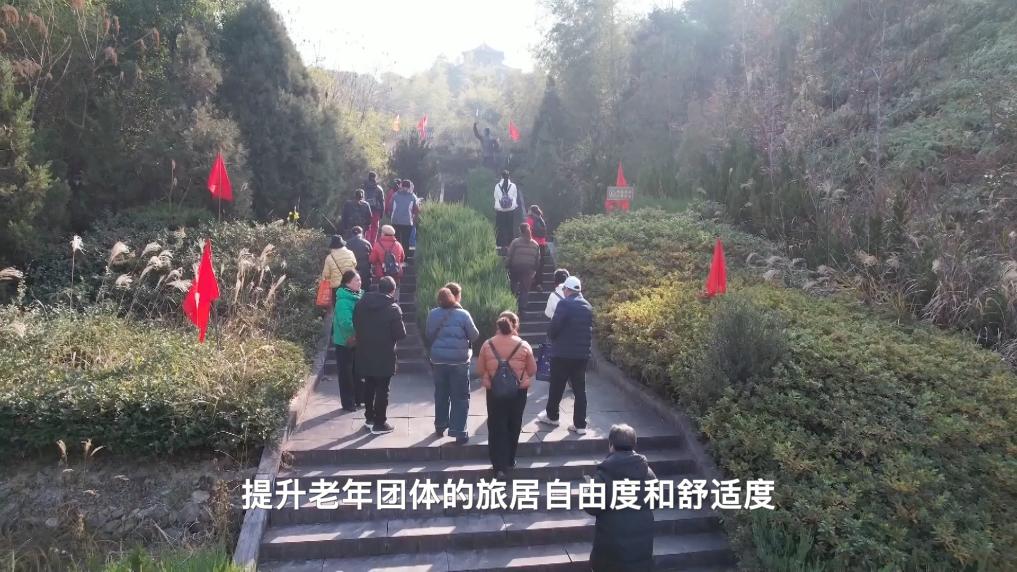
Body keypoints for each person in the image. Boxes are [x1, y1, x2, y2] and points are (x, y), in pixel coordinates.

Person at [584, 424, 656, 572]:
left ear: (611, 445)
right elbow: (655, 501)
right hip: (640, 554)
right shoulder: (648, 473)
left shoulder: (603, 474)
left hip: (610, 554)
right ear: (634, 445)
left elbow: (591, 507)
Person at [476, 311, 536, 478]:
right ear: (514, 326)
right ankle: (510, 459)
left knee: (496, 425)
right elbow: (532, 370)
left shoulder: (487, 344)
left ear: (498, 326)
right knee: (514, 423)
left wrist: (491, 375)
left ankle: (498, 466)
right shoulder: (523, 345)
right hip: (518, 391)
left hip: (494, 391)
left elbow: (480, 370)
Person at [537, 276, 593, 434]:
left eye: (564, 289)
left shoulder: (564, 304)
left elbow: (554, 327)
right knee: (580, 390)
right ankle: (580, 425)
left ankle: (552, 416)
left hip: (562, 354)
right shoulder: (588, 306)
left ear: (568, 289)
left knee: (557, 386)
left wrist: (551, 337)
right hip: (581, 355)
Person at [352, 276, 407, 435]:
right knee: (383, 388)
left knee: (369, 385)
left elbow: (355, 323)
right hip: (384, 354)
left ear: (378, 287)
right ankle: (380, 423)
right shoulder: (393, 308)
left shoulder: (361, 304)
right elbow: (400, 334)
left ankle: (369, 418)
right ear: (392, 290)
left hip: (364, 351)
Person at [425, 286, 480, 443]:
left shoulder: (432, 314)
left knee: (441, 394)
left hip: (438, 360)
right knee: (460, 396)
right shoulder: (463, 314)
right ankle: (459, 432)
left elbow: (428, 334)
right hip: (459, 361)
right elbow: (474, 335)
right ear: (454, 297)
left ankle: (440, 425)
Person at [332, 270, 364, 412]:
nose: (360, 282)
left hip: (358, 340)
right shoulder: (342, 301)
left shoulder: (360, 296)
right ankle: (348, 403)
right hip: (345, 342)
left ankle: (359, 398)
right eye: (356, 280)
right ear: (348, 283)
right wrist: (361, 331)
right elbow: (346, 323)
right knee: (346, 374)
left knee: (358, 372)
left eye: (360, 279)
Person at [505, 223, 541, 315]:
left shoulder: (515, 242)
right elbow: (537, 260)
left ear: (520, 231)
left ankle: (512, 306)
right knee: (525, 290)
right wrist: (534, 270)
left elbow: (510, 255)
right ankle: (522, 309)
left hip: (515, 268)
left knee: (514, 286)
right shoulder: (535, 244)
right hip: (528, 270)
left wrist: (507, 265)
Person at [320, 235, 357, 302]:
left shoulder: (329, 258)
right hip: (349, 283)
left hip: (336, 286)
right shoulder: (350, 253)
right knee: (350, 302)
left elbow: (326, 275)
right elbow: (355, 264)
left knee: (337, 303)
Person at [390, 179, 419, 249]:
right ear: (409, 187)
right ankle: (404, 254)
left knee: (396, 240)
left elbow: (390, 206)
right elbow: (416, 209)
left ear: (401, 186)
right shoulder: (413, 196)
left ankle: (396, 254)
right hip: (407, 222)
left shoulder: (395, 195)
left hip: (395, 221)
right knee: (405, 241)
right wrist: (414, 218)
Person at [493, 170, 519, 250]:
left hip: (500, 210)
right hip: (510, 210)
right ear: (509, 176)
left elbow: (495, 197)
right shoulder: (513, 186)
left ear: (501, 176)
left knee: (500, 227)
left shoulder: (497, 186)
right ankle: (510, 244)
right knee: (510, 227)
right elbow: (515, 197)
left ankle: (499, 244)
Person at [526, 205, 548, 291]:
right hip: (542, 245)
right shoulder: (541, 219)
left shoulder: (530, 219)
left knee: (531, 263)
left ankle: (530, 281)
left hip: (533, 244)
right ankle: (539, 283)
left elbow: (528, 232)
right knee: (540, 265)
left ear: (531, 211)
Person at [346, 226, 374, 292]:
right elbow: (371, 257)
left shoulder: (347, 244)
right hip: (365, 272)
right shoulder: (367, 243)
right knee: (365, 291)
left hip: (352, 272)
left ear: (352, 234)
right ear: (362, 233)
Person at [362, 172, 386, 243]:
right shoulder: (379, 188)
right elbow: (382, 201)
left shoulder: (364, 187)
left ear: (368, 177)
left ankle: (366, 243)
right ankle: (372, 244)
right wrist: (382, 212)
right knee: (375, 228)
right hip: (376, 211)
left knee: (367, 228)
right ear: (375, 178)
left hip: (365, 210)